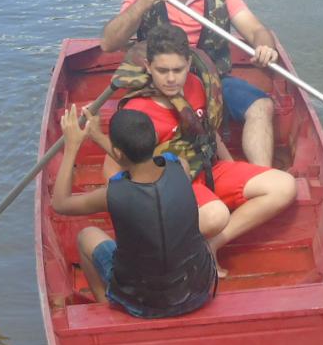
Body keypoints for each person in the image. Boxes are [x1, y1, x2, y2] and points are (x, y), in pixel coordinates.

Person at [109, 24, 296, 259]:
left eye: (178, 70)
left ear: (189, 64)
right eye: (162, 70)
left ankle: (212, 245)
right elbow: (114, 170)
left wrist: (234, 167)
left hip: (209, 170)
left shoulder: (197, 85)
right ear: (148, 66)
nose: (170, 79)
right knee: (216, 215)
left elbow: (209, 133)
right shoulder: (136, 110)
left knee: (284, 185)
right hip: (173, 189)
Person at [101, 0, 280, 167]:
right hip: (162, 83)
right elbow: (109, 43)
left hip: (213, 80)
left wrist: (265, 47)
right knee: (137, 127)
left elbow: (256, 30)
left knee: (261, 106)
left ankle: (262, 175)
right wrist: (142, 4)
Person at [50, 103, 222, 318]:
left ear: (117, 152)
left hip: (143, 304)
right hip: (197, 292)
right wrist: (98, 137)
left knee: (87, 236)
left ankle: (108, 305)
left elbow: (60, 203)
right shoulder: (181, 166)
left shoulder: (112, 194)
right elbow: (137, 162)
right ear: (154, 139)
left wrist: (72, 146)